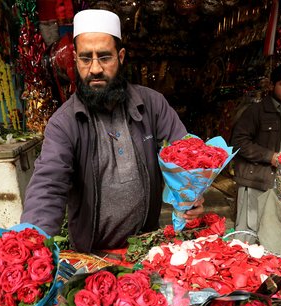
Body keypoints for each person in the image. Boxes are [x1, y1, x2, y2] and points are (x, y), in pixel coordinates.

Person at [20, 9, 202, 253]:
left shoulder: (152, 105)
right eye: (86, 58)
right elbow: (48, 184)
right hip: (93, 254)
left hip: (147, 246)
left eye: (104, 57)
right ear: (75, 59)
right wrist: (33, 246)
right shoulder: (64, 123)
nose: (95, 68)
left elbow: (186, 155)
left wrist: (193, 192)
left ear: (121, 57)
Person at [230, 64, 281, 234]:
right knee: (247, 232)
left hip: (275, 182)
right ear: (272, 85)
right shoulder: (256, 111)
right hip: (254, 181)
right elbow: (238, 143)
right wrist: (271, 156)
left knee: (266, 232)